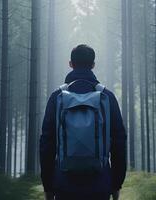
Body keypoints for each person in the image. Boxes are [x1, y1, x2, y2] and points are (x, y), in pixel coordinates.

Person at [40, 44, 127, 200]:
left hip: (64, 184)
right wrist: (116, 184)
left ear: (71, 64)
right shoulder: (106, 97)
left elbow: (47, 143)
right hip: (100, 184)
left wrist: (48, 186)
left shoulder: (57, 97)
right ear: (93, 65)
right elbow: (119, 143)